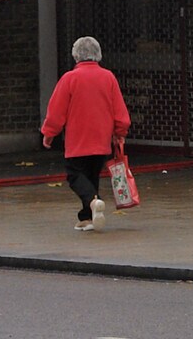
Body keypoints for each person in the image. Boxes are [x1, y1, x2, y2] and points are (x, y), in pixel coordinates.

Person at [41, 36, 130, 231]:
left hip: (78, 139)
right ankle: (87, 217)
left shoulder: (69, 79)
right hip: (102, 139)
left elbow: (56, 111)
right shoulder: (108, 77)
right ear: (98, 54)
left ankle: (92, 202)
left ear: (76, 56)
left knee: (75, 175)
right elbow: (120, 110)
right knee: (91, 176)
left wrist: (49, 133)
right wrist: (120, 131)